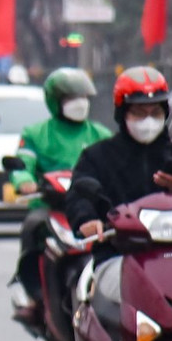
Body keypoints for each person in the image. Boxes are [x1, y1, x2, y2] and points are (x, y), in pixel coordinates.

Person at [66, 68, 172, 341]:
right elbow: (79, 195)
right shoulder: (97, 157)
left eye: (154, 111)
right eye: (139, 112)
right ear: (123, 113)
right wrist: (87, 221)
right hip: (119, 257)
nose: (148, 120)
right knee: (110, 308)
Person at [8, 68, 110, 315]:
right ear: (56, 102)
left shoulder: (100, 134)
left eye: (84, 97)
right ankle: (29, 290)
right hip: (49, 205)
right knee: (32, 225)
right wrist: (24, 181)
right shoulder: (35, 134)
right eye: (72, 98)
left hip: (90, 206)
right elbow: (23, 163)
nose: (80, 103)